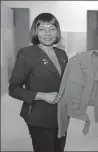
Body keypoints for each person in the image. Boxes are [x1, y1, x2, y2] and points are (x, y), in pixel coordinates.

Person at [9, 13, 68, 152]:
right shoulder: (27, 54)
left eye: (52, 29)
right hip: (39, 116)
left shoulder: (62, 54)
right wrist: (42, 95)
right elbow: (13, 88)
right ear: (36, 32)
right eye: (42, 29)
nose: (48, 33)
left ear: (57, 31)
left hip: (61, 115)